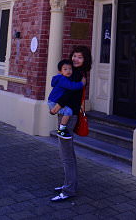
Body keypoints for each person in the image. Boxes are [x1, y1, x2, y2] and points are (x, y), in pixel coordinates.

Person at [51, 45, 92, 202]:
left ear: (85, 60)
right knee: (66, 153)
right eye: (74, 56)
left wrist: (57, 106)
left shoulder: (78, 75)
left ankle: (69, 190)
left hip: (68, 118)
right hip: (64, 116)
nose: (75, 59)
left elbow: (69, 96)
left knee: (66, 154)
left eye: (80, 57)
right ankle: (69, 184)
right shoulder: (73, 73)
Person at [48, 59, 85, 139]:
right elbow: (72, 86)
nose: (68, 71)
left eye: (70, 69)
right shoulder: (63, 79)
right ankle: (61, 130)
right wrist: (82, 83)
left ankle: (62, 129)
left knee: (67, 111)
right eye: (65, 69)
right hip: (54, 103)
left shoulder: (62, 78)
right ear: (60, 71)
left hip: (53, 101)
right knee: (68, 111)